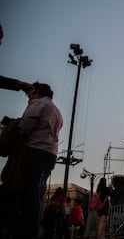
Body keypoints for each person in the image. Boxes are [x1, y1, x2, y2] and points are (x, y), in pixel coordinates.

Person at [18, 82, 63, 239]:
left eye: (30, 93)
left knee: (30, 191)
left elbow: (24, 126)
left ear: (37, 92)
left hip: (36, 150)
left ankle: (27, 230)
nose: (29, 97)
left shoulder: (39, 104)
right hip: (50, 154)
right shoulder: (57, 111)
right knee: (38, 192)